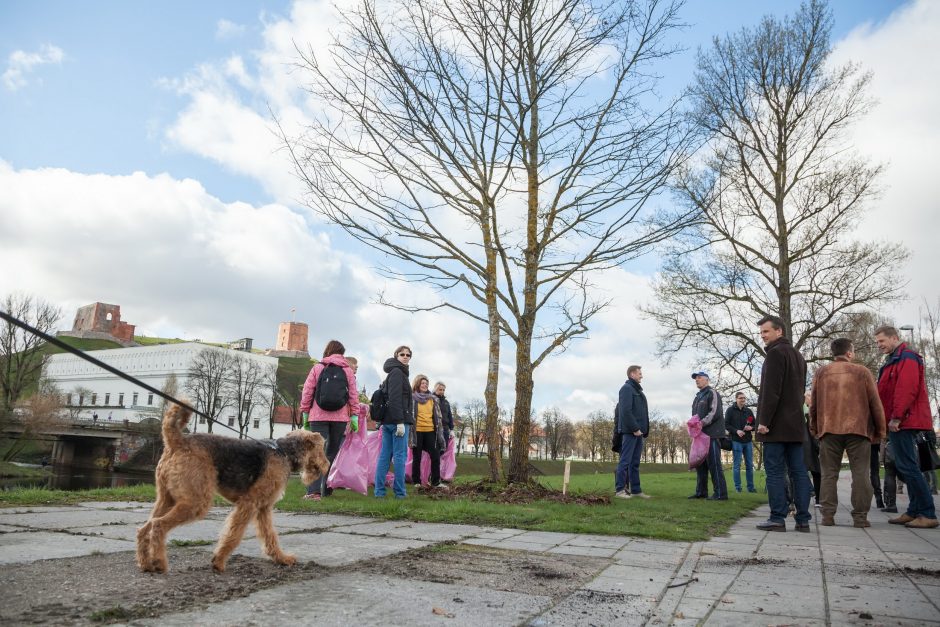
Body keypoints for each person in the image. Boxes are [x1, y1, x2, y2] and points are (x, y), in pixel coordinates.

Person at [809, 338, 887, 528]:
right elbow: (875, 404)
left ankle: (828, 516)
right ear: (850, 353)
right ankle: (860, 517)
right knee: (861, 473)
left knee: (828, 474)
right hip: (858, 429)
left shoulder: (821, 372)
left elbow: (814, 404)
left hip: (829, 429)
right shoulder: (862, 372)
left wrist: (815, 428)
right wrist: (881, 430)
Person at [875, 325, 938, 529]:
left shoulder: (907, 358)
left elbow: (906, 389)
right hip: (901, 419)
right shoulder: (895, 359)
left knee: (908, 467)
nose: (879, 345)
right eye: (877, 342)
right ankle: (914, 511)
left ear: (894, 338)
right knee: (907, 466)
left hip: (904, 420)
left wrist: (896, 417)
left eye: (882, 341)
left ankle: (927, 513)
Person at [754, 315, 812, 532]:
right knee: (799, 471)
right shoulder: (798, 356)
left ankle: (777, 517)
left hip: (776, 426)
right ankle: (803, 519)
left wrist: (764, 421)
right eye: (761, 333)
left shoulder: (775, 354)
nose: (763, 336)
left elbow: (771, 391)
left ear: (779, 331)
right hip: (796, 426)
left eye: (766, 332)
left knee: (776, 472)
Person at [299, 340, 359, 501]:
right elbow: (353, 394)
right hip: (340, 418)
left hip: (318, 416)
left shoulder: (318, 367)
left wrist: (305, 411)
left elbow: (307, 390)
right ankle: (325, 488)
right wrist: (354, 415)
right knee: (331, 453)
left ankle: (313, 492)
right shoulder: (347, 371)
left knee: (316, 452)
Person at [374, 346, 414, 498]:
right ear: (396, 356)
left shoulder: (395, 372)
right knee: (399, 456)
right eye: (402, 354)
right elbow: (395, 398)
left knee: (385, 456)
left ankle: (379, 492)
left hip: (389, 421)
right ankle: (399, 493)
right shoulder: (397, 372)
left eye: (408, 355)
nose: (405, 356)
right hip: (398, 421)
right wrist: (399, 422)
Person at [689, 371, 727, 500]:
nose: (697, 380)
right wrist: (693, 425)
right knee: (700, 464)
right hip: (700, 436)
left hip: (712, 434)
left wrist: (701, 423)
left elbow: (715, 412)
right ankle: (701, 492)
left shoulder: (712, 393)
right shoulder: (697, 397)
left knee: (714, 464)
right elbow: (695, 416)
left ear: (707, 380)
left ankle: (720, 493)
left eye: (699, 378)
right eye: (696, 379)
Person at [614, 365, 650, 499]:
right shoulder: (626, 389)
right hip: (630, 432)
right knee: (625, 462)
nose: (642, 375)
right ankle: (620, 490)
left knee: (635, 463)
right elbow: (625, 411)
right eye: (639, 373)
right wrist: (635, 428)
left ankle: (636, 490)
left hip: (639, 433)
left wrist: (642, 431)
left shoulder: (639, 391)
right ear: (632, 374)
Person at [411, 374, 446, 489]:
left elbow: (438, 417)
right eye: (422, 383)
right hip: (417, 431)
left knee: (435, 456)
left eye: (426, 383)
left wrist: (440, 430)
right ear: (417, 384)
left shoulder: (433, 399)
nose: (425, 385)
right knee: (417, 457)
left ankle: (436, 482)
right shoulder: (412, 399)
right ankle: (416, 481)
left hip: (430, 431)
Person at [725, 391, 756, 493]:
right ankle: (738, 488)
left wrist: (751, 427)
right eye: (740, 398)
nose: (743, 400)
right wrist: (736, 431)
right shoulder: (730, 410)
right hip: (736, 441)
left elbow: (755, 425)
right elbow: (726, 425)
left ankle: (751, 488)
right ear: (736, 399)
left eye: (744, 398)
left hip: (748, 442)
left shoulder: (749, 411)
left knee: (749, 465)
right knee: (737, 465)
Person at [802, 391, 822, 507]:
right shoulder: (805, 412)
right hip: (807, 445)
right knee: (806, 472)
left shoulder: (814, 412)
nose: (811, 398)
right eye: (809, 396)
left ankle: (818, 498)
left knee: (816, 472)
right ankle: (811, 496)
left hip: (813, 445)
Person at [433, 382, 454, 446]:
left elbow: (450, 416)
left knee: (444, 448)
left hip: (445, 429)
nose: (442, 391)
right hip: (434, 429)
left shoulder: (446, 402)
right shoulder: (431, 400)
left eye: (443, 390)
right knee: (435, 450)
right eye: (440, 389)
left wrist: (451, 429)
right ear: (435, 389)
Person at [870, 441, 885, 510]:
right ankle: (890, 501)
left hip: (871, 440)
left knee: (874, 472)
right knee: (889, 470)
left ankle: (878, 498)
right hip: (882, 440)